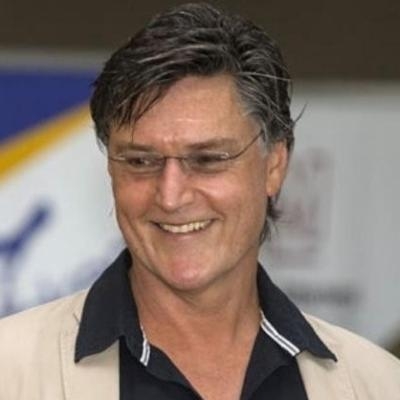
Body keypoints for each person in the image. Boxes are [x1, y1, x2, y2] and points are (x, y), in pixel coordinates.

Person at [1, 3, 399, 400]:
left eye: (208, 159)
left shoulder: (378, 384)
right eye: (141, 161)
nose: (171, 196)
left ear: (275, 165)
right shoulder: (11, 372)